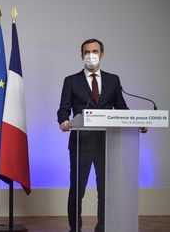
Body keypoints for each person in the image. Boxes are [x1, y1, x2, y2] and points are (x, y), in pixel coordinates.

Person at [57, 38, 130, 232]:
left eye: (95, 51)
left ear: (102, 55)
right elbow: (63, 110)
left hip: (107, 143)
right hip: (81, 143)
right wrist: (63, 121)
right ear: (81, 56)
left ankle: (103, 228)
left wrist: (138, 122)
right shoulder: (71, 81)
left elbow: (122, 108)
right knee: (77, 191)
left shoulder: (113, 80)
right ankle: (76, 229)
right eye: (87, 52)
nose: (91, 55)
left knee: (105, 191)